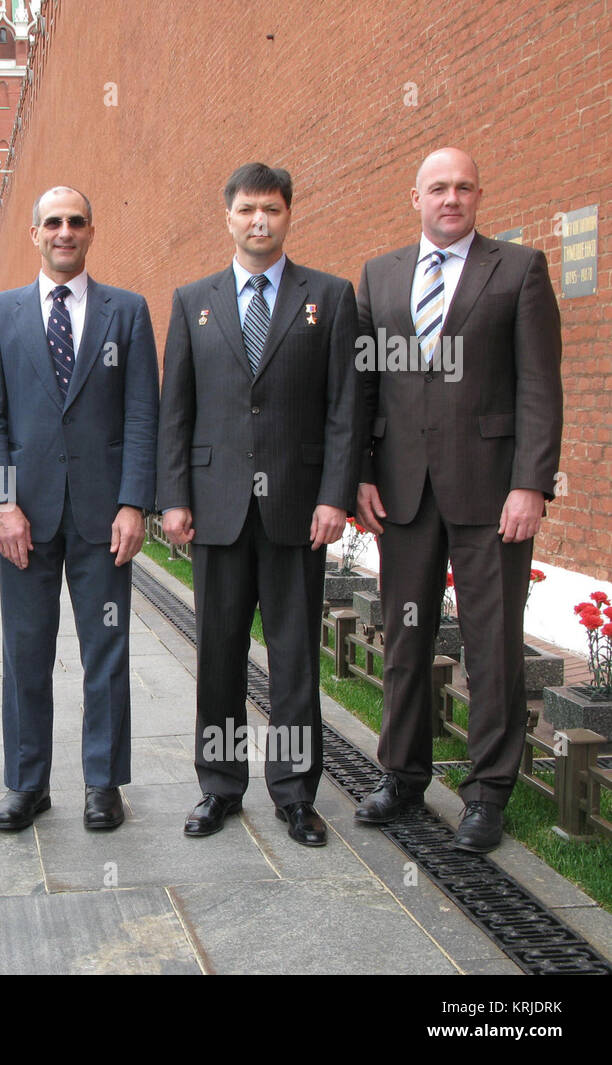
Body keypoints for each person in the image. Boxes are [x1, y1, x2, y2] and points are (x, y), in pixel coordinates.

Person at [354, 147, 563, 853]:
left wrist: (531, 482)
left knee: (493, 645)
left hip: (490, 489)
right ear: (414, 197)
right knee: (405, 638)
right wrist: (361, 472)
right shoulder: (380, 275)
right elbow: (365, 384)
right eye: (438, 188)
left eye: (463, 187)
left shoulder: (519, 270)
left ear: (479, 196)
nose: (451, 198)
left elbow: (539, 383)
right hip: (404, 491)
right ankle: (403, 776)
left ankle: (487, 792)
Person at [156, 163, 359, 847]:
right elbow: (174, 411)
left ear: (288, 214)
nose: (259, 221)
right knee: (217, 653)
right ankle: (218, 785)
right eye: (246, 209)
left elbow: (344, 410)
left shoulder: (329, 297)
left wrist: (336, 496)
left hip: (298, 513)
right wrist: (173, 499)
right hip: (215, 509)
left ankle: (297, 793)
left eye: (270, 209)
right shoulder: (194, 301)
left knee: (295, 655)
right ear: (228, 217)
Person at [0, 185, 159, 832]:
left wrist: (136, 501)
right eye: (52, 222)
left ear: (90, 231)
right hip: (26, 515)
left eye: (76, 221)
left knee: (105, 649)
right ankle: (27, 783)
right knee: (25, 649)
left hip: (104, 517)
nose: (64, 232)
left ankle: (103, 782)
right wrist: (1, 504)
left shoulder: (127, 312)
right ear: (34, 233)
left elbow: (141, 413)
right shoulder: (0, 314)